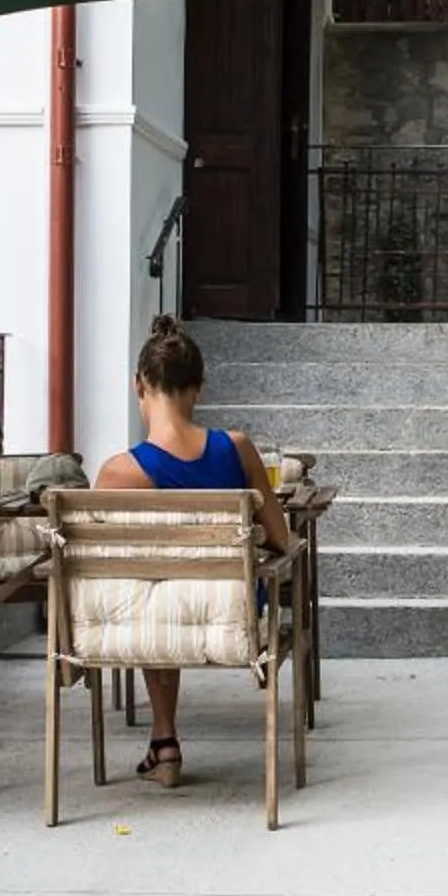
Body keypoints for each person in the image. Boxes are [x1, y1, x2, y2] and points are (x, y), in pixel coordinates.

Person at [96, 314, 293, 787]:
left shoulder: (119, 473)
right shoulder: (237, 449)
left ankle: (165, 742)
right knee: (173, 590)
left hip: (151, 620)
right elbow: (282, 539)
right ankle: (164, 742)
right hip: (232, 612)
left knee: (155, 589)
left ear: (138, 385)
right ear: (199, 388)